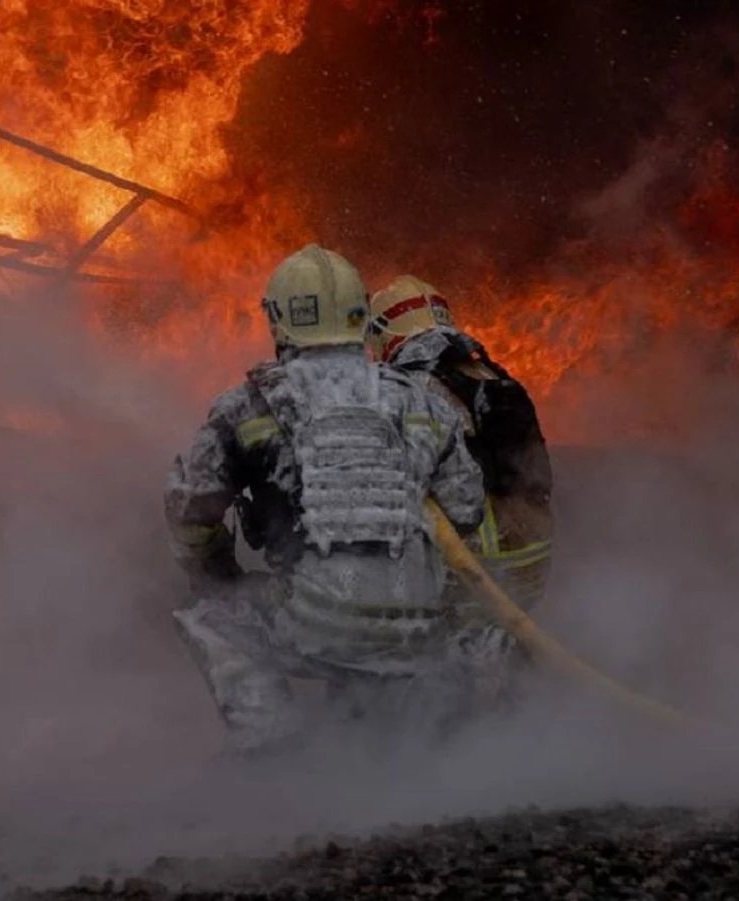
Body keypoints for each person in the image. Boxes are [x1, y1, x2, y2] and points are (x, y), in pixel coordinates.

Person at [164, 245, 495, 755]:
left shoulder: (247, 405)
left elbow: (191, 510)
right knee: (424, 628)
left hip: (314, 622)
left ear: (277, 320)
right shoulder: (419, 399)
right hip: (418, 623)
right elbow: (467, 510)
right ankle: (420, 743)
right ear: (360, 315)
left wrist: (218, 574)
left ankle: (271, 745)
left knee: (209, 615)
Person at [366, 275, 554, 612]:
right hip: (533, 560)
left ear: (385, 333)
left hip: (472, 570)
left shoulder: (412, 385)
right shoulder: (492, 375)